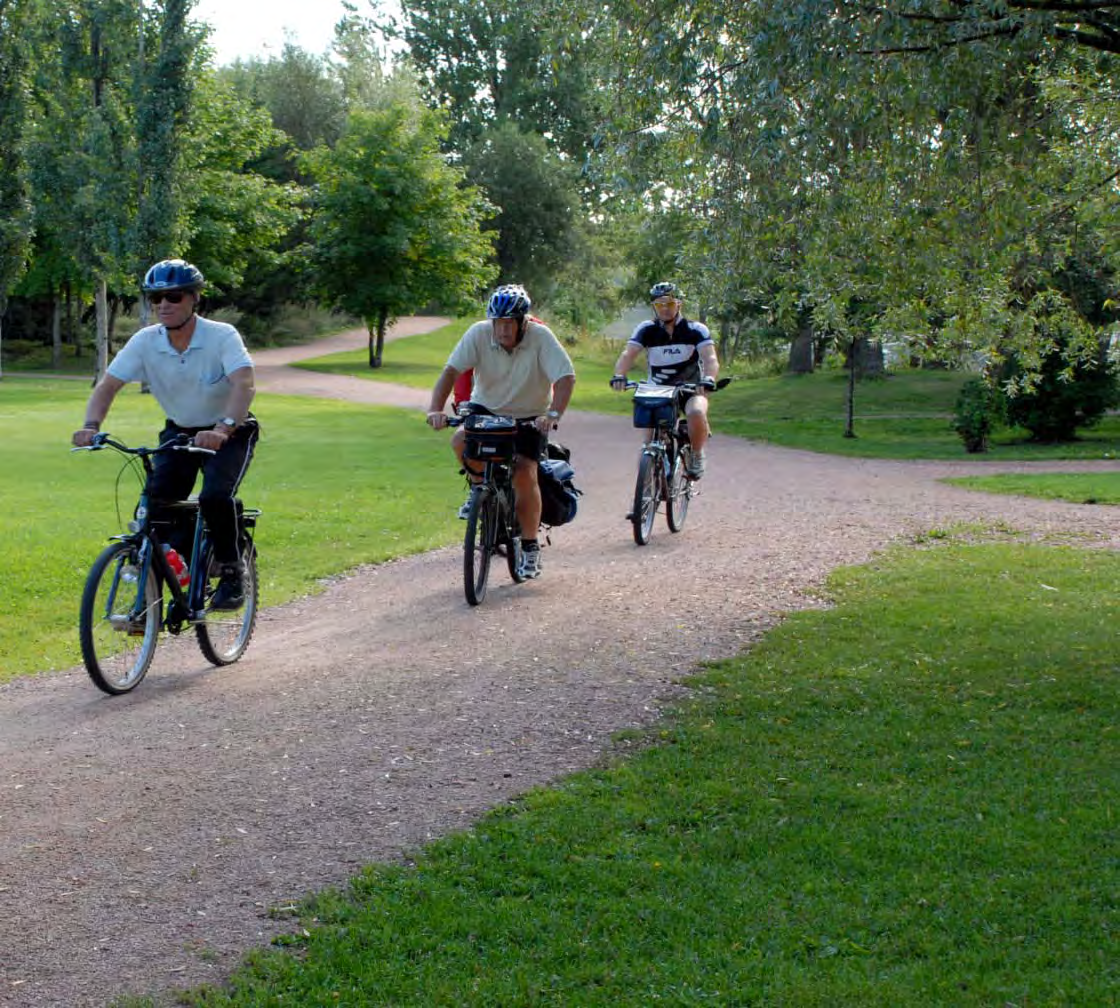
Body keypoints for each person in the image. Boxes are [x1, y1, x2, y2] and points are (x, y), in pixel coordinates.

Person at [71, 259, 260, 610]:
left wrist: (222, 428)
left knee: (215, 496)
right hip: (180, 432)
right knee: (155, 508)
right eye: (155, 297)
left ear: (194, 299)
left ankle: (233, 572)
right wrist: (90, 426)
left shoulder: (221, 336)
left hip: (230, 431)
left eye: (172, 296)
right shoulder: (146, 341)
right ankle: (159, 593)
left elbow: (244, 383)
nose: (163, 305)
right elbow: (108, 386)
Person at [426, 284, 575, 580]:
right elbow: (450, 372)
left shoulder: (541, 337)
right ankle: (481, 487)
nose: (503, 330)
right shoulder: (478, 334)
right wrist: (435, 409)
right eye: (498, 323)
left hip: (528, 417)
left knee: (524, 471)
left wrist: (553, 414)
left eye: (509, 323)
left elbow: (566, 376)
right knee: (459, 441)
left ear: (523, 322)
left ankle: (530, 546)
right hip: (486, 410)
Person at [610, 281, 720, 479]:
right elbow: (628, 354)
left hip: (691, 388)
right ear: (654, 307)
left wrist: (709, 379)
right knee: (648, 441)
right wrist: (619, 375)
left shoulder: (696, 329)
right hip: (657, 389)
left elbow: (710, 358)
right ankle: (645, 493)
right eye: (659, 304)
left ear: (679, 305)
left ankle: (696, 453)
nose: (664, 309)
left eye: (669, 304)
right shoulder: (647, 329)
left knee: (696, 411)